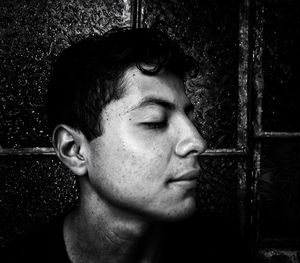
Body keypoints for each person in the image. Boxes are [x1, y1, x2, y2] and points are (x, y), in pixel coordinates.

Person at [1, 27, 258, 263]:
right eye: (154, 121)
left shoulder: (222, 251)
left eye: (190, 119)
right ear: (74, 150)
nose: (197, 142)